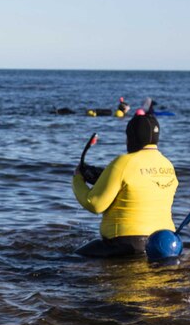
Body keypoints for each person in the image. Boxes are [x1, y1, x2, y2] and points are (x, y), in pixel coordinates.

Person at [71, 110, 177, 257]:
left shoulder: (123, 163)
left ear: (132, 138)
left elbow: (94, 204)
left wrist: (77, 180)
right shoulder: (168, 165)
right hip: (162, 245)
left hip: (125, 245)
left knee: (69, 260)